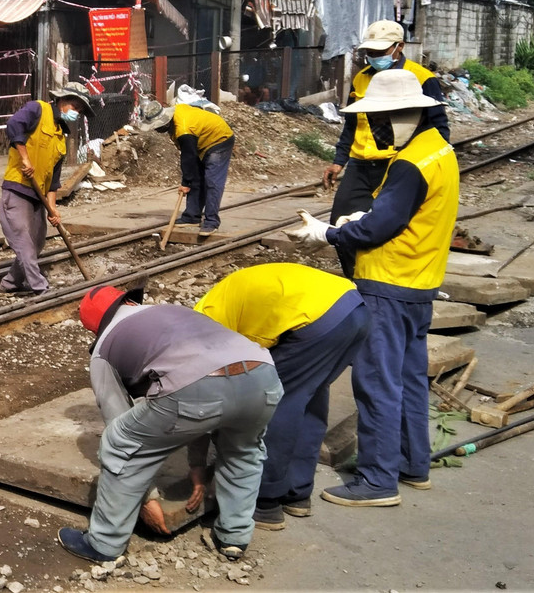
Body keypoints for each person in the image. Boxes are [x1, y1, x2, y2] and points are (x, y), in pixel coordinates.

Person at [286, 68, 459, 507]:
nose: (377, 129)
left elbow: (382, 224)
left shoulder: (408, 164)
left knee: (376, 382)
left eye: (382, 120)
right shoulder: (438, 151)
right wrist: (352, 222)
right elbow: (406, 217)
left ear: (404, 116)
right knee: (409, 379)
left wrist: (329, 233)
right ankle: (410, 464)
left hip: (387, 283)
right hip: (420, 283)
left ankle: (377, 480)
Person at [57, 285, 281, 565]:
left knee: (119, 442)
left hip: (200, 388)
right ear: (129, 302)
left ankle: (104, 543)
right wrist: (197, 465)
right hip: (264, 376)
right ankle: (234, 538)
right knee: (243, 451)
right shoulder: (172, 311)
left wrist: (145, 497)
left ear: (94, 329)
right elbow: (205, 398)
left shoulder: (104, 347)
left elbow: (125, 435)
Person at [194, 263, 371, 529]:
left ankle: (266, 499)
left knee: (278, 401)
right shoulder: (221, 305)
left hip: (317, 318)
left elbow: (215, 380)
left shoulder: (205, 321)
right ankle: (296, 493)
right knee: (309, 397)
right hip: (354, 310)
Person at [325, 20, 450, 277]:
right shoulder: (361, 79)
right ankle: (356, 277)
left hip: (396, 164)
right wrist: (339, 161)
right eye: (369, 52)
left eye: (380, 52)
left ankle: (386, 279)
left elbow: (438, 127)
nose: (373, 57)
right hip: (361, 163)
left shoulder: (422, 78)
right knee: (341, 219)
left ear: (399, 47)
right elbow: (351, 125)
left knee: (387, 223)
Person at [0, 83, 94, 295]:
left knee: (37, 242)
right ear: (61, 100)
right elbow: (14, 126)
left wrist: (53, 208)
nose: (75, 112)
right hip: (17, 189)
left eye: (79, 110)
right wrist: (24, 158)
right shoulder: (37, 109)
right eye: (74, 106)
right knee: (24, 243)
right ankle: (40, 288)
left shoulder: (61, 136)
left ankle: (10, 283)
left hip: (38, 196)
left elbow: (54, 180)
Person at [138, 98, 234, 235]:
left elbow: (189, 157)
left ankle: (211, 221)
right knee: (196, 176)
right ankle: (192, 216)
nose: (156, 130)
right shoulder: (176, 120)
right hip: (201, 139)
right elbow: (191, 161)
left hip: (219, 139)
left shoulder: (183, 129)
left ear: (164, 122)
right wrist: (189, 179)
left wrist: (186, 183)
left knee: (212, 181)